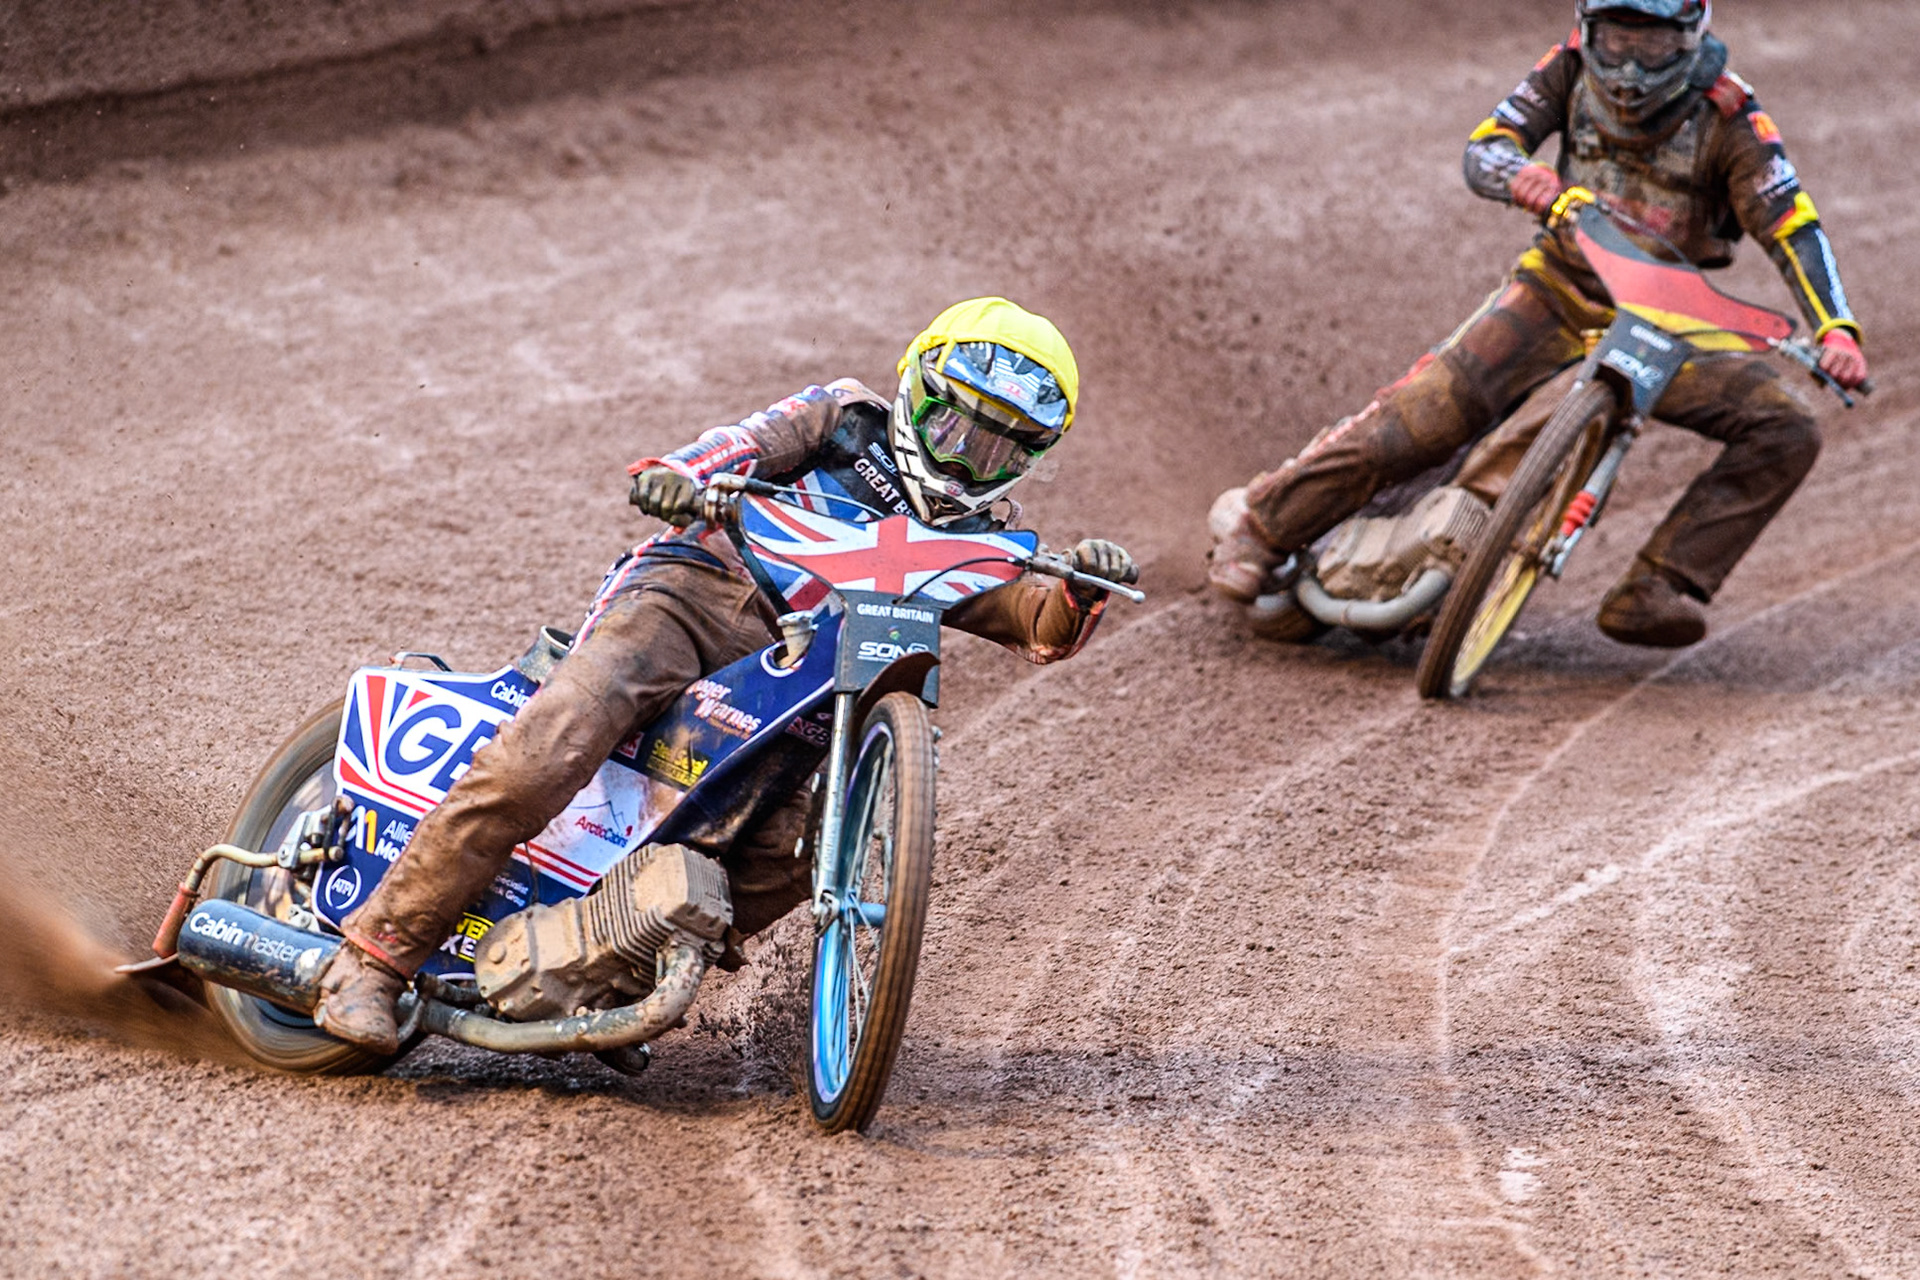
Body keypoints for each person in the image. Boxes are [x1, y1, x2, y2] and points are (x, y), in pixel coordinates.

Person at [314, 297, 1135, 1052]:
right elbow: (739, 445)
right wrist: (682, 477)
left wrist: (1081, 590)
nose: (965, 457)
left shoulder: (978, 545)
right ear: (915, 387)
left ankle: (610, 968)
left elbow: (1037, 624)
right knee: (550, 749)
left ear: (1031, 458)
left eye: (996, 446)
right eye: (953, 424)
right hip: (691, 594)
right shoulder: (845, 418)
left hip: (793, 689)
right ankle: (373, 962)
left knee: (806, 844)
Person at [1208, 0, 1869, 648]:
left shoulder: (1733, 118)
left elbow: (1792, 226)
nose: (1630, 68)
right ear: (1588, 29)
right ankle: (1263, 528)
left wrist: (1836, 328)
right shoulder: (1568, 69)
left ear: (1692, 35)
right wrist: (1519, 172)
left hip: (1664, 323)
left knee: (1786, 427)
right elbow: (1486, 146)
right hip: (1554, 291)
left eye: (1652, 45)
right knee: (1426, 415)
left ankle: (1657, 587)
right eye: (1617, 41)